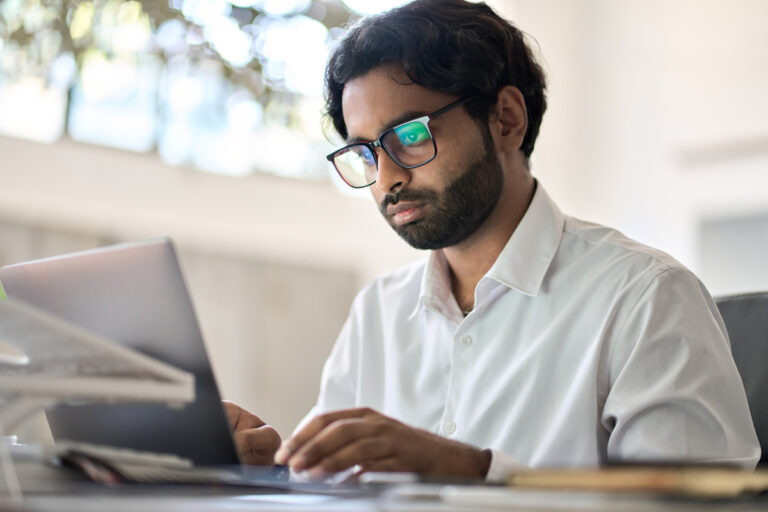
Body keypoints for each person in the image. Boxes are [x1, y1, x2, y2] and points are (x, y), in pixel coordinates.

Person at [223, 0, 760, 481]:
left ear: (506, 119)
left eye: (410, 136)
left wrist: (475, 472)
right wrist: (274, 465)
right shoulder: (378, 313)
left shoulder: (645, 298)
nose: (386, 178)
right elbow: (335, 489)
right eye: (365, 152)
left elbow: (695, 506)